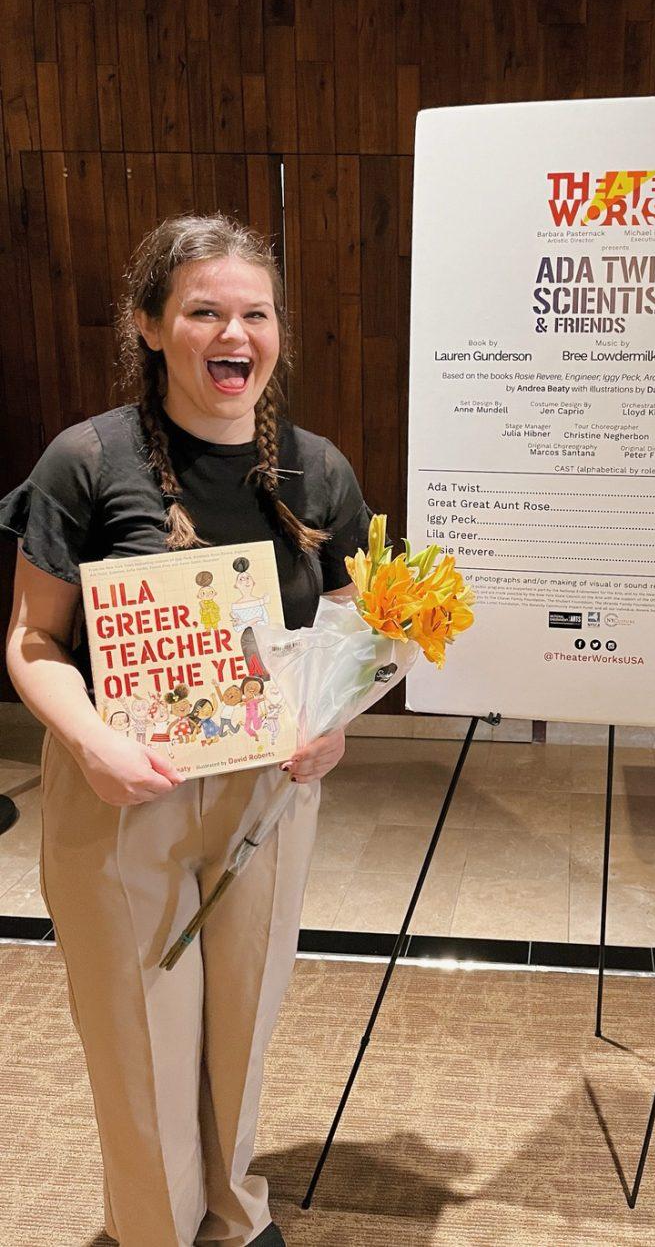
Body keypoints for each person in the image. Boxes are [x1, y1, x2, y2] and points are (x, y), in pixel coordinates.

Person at [1, 214, 374, 1247]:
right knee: (137, 1029)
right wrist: (93, 742)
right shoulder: (85, 460)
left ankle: (233, 1208)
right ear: (151, 326)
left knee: (241, 1018)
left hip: (266, 788)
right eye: (204, 309)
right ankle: (153, 1228)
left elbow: (346, 631)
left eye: (255, 313)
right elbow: (33, 640)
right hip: (123, 789)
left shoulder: (317, 471)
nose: (234, 333)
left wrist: (331, 728)